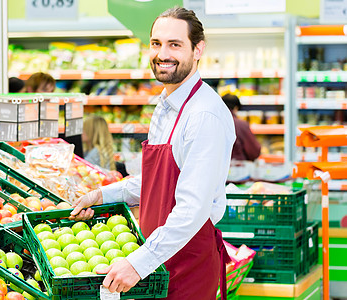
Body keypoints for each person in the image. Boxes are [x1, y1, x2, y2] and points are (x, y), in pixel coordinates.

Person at [70, 6, 235, 300]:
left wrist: (137, 263)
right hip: (156, 258)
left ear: (198, 50)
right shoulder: (165, 106)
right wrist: (103, 195)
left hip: (187, 265)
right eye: (156, 44)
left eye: (175, 44)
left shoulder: (204, 116)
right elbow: (157, 181)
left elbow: (191, 210)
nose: (163, 54)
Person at [222, 93, 261, 161]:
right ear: (236, 108)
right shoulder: (241, 125)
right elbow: (254, 151)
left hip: (217, 167)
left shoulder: (213, 122)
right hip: (237, 167)